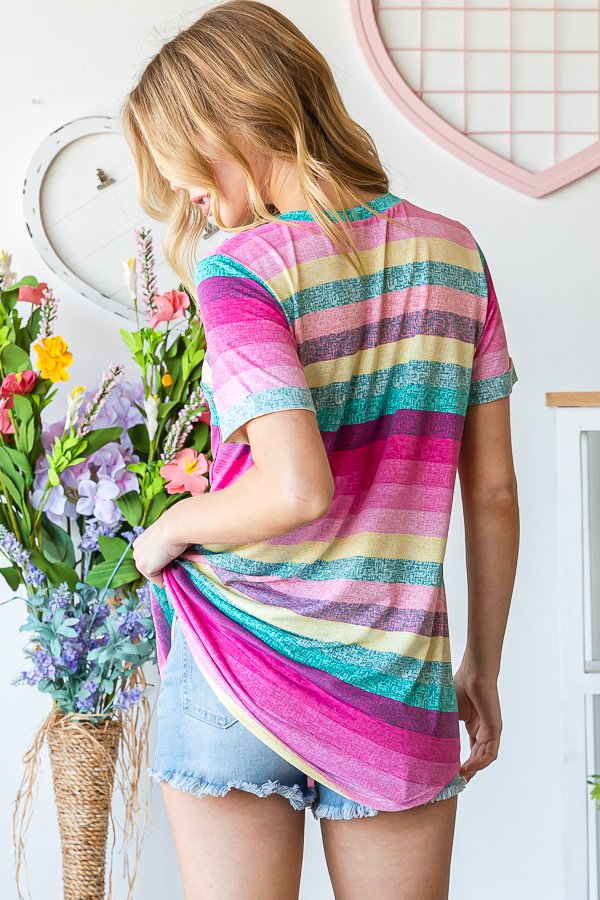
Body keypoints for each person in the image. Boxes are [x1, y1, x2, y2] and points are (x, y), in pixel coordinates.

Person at [122, 2, 520, 897]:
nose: (184, 190)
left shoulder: (244, 266)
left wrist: (169, 528)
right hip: (394, 680)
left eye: (181, 160)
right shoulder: (458, 257)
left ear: (231, 119)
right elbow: (491, 492)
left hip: (237, 658)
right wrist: (482, 665)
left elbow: (295, 486)